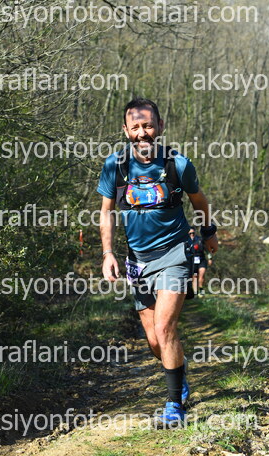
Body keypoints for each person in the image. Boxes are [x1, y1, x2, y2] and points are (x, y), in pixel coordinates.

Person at [97, 97, 218, 427]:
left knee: (165, 329)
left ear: (160, 126)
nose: (142, 133)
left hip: (175, 254)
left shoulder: (178, 164)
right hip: (138, 261)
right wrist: (108, 253)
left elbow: (199, 200)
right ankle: (178, 372)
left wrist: (208, 231)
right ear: (125, 130)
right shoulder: (115, 166)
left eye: (148, 125)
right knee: (154, 340)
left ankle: (174, 406)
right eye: (135, 127)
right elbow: (106, 212)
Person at [186, 228, 213, 297]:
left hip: (201, 259)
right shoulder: (186, 241)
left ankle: (201, 289)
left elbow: (207, 249)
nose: (192, 234)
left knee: (202, 274)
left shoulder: (200, 240)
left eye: (193, 233)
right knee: (195, 276)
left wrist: (210, 258)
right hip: (192, 261)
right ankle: (195, 292)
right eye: (190, 233)